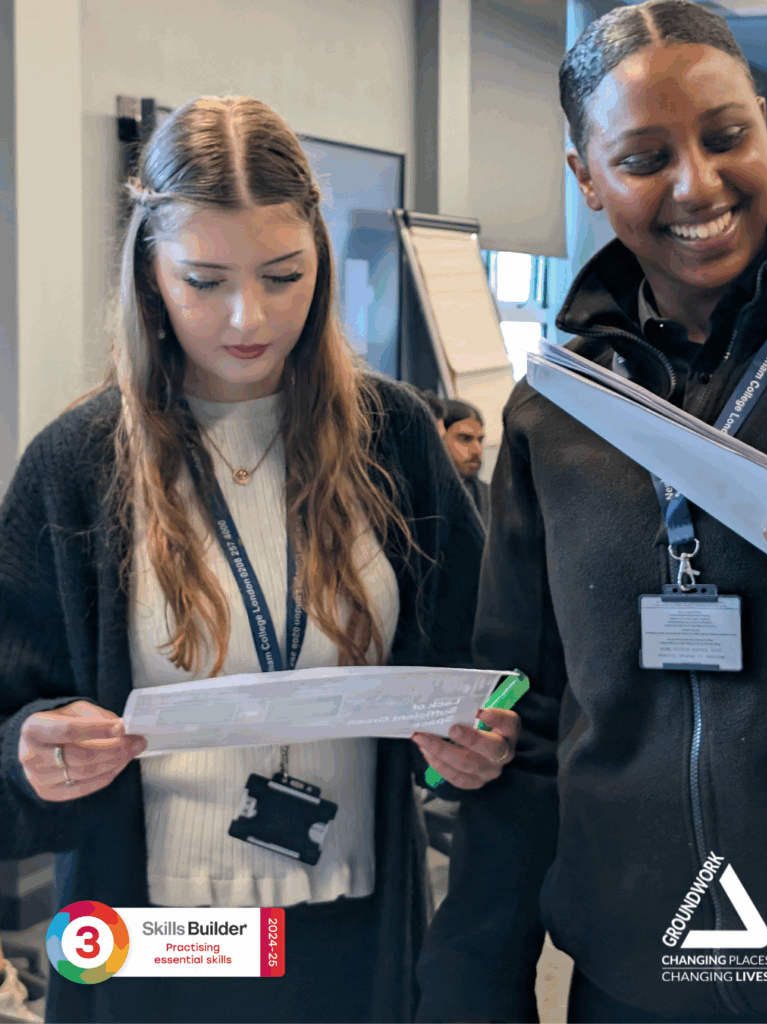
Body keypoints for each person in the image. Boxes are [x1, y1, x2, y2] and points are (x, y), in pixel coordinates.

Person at [0, 96, 521, 1024]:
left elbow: (480, 669)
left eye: (283, 275)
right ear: (149, 275)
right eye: (204, 280)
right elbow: (10, 721)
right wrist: (28, 752)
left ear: (319, 261)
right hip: (144, 942)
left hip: (351, 927)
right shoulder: (76, 464)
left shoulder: (394, 435)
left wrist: (467, 750)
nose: (249, 317)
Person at [416, 3, 767, 1022]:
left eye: (727, 137)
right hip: (631, 982)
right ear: (586, 179)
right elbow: (526, 718)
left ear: (765, 124)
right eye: (644, 157)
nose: (698, 183)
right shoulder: (554, 415)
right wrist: (475, 987)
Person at [441, 399, 489, 524]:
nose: (477, 450)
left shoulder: (497, 498)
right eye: (465, 438)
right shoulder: (417, 499)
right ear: (439, 438)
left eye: (480, 440)